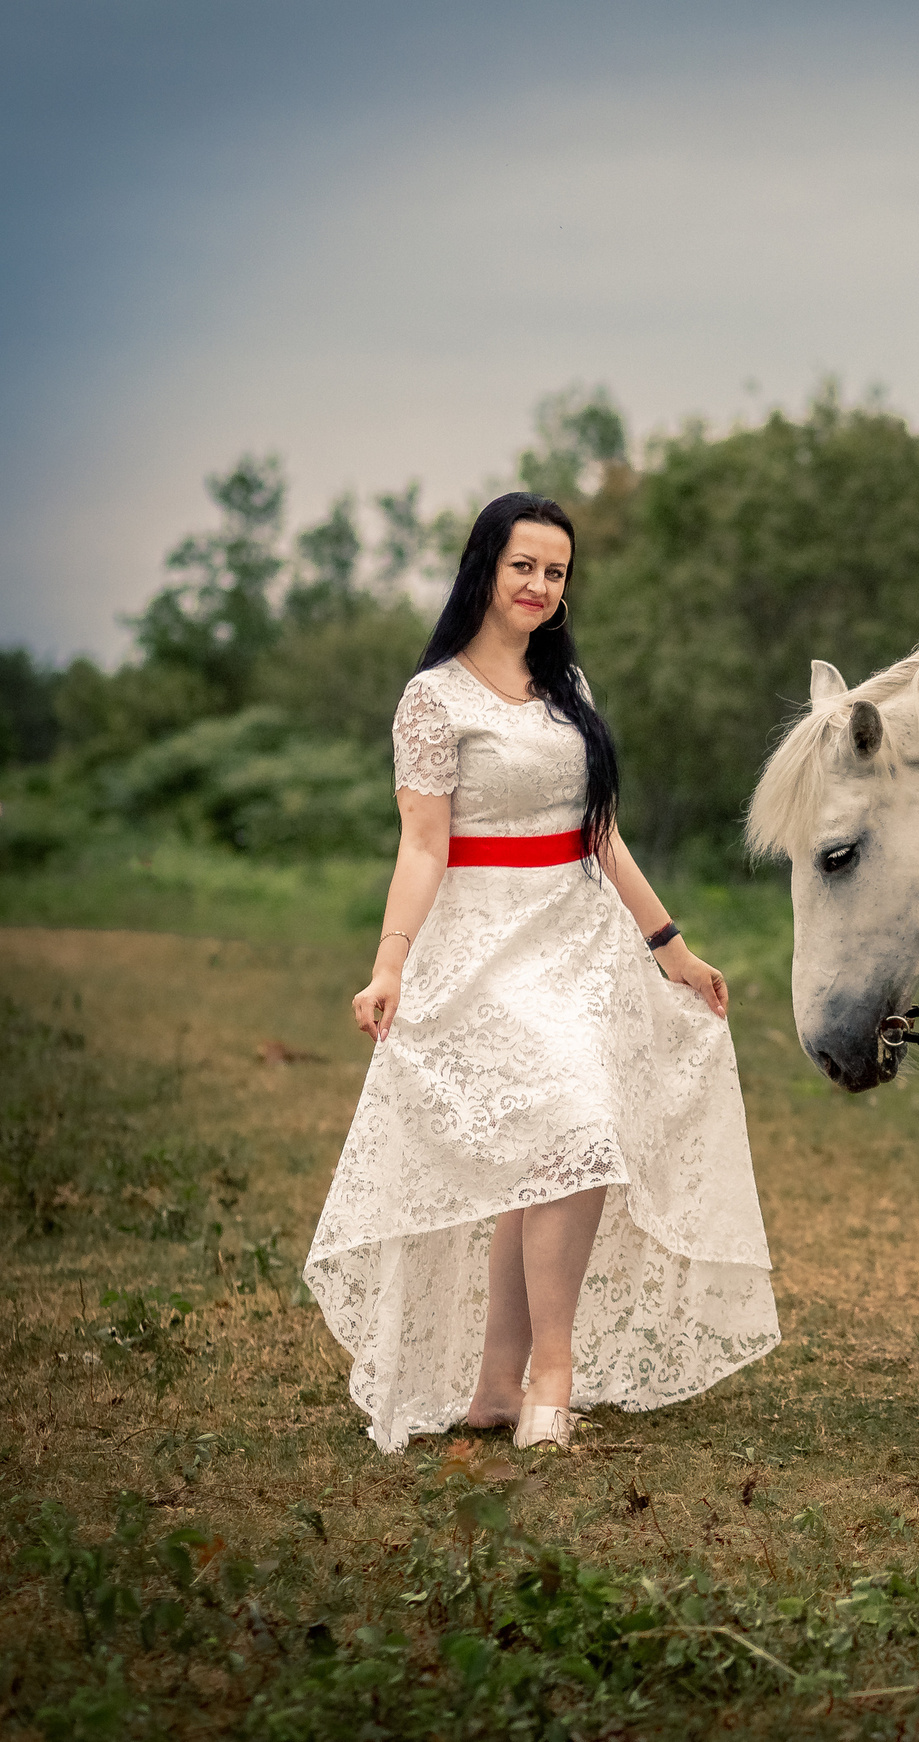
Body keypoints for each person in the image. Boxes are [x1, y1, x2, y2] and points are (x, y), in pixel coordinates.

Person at [304, 493, 778, 1453]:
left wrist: (671, 947)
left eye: (556, 571)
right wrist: (390, 966)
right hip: (485, 946)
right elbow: (423, 846)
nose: (539, 584)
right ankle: (550, 1378)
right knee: (575, 1129)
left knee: (555, 1151)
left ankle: (497, 1388)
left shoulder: (569, 688)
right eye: (523, 564)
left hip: (581, 939)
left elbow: (601, 834)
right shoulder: (434, 699)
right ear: (485, 567)